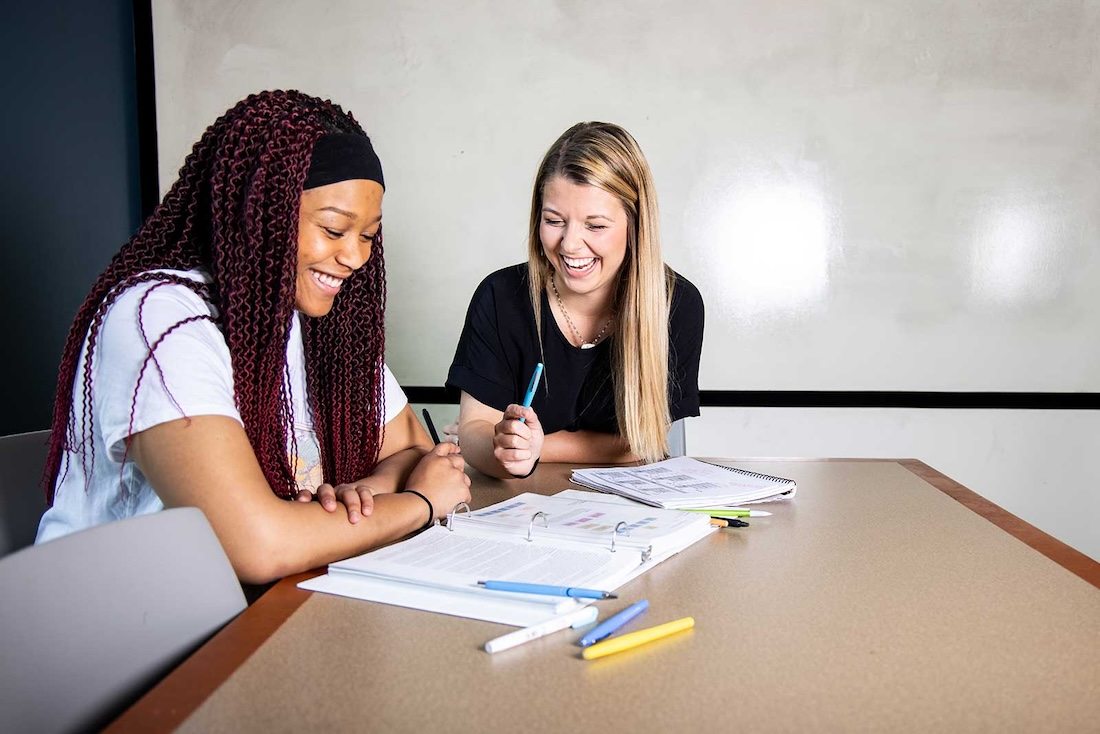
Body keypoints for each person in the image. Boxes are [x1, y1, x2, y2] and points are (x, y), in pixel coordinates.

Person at [37, 90, 471, 583]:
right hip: (116, 627)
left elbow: (412, 449)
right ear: (259, 212)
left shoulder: (315, 317)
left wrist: (366, 491)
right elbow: (257, 547)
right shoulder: (158, 318)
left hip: (243, 608)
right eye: (333, 230)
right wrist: (416, 504)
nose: (355, 257)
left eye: (368, 235)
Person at [447, 121, 704, 478]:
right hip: (520, 510)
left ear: (636, 225)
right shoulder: (500, 296)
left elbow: (645, 440)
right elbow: (474, 428)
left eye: (595, 226)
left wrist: (539, 449)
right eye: (554, 220)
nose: (569, 244)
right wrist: (503, 448)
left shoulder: (676, 303)